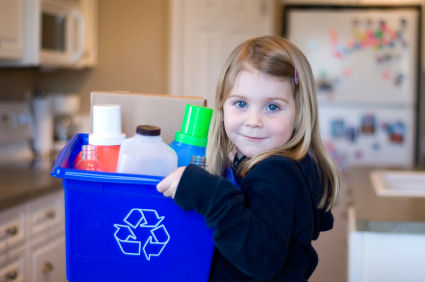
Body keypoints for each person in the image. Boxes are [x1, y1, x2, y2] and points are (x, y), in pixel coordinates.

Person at [157, 35, 341, 281]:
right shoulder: (271, 167)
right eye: (241, 104)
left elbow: (261, 258)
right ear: (222, 108)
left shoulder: (276, 173)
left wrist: (208, 192)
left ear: (299, 113)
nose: (253, 121)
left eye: (272, 107)